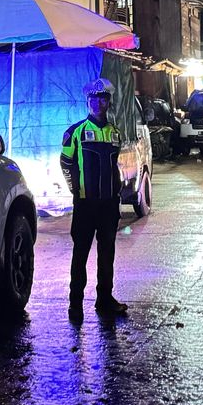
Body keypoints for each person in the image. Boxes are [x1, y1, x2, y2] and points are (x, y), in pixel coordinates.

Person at [60, 78, 129, 320]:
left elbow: (115, 166)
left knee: (107, 254)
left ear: (109, 102)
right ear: (87, 101)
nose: (99, 103)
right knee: (80, 254)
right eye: (94, 99)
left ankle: (105, 299)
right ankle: (75, 303)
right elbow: (66, 163)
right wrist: (76, 191)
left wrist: (116, 194)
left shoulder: (115, 133)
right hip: (85, 205)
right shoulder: (75, 132)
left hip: (108, 205)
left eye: (103, 99)